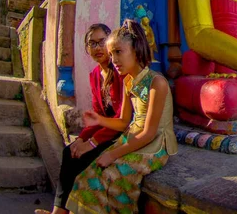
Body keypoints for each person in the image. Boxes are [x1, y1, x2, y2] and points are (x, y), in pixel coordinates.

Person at [65, 19, 177, 214]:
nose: (114, 60)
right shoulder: (128, 82)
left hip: (155, 145)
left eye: (118, 52)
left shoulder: (156, 83)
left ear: (136, 50)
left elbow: (150, 133)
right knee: (86, 176)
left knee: (111, 177)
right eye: (111, 54)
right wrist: (100, 120)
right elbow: (124, 122)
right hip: (132, 136)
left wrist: (112, 154)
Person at [35, 24, 123, 214]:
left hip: (122, 132)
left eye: (101, 42)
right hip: (105, 129)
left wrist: (91, 143)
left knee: (83, 156)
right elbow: (98, 115)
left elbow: (121, 118)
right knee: (70, 151)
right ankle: (58, 210)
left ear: (110, 43)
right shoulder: (94, 75)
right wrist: (82, 138)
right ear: (86, 49)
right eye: (92, 43)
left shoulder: (119, 71)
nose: (97, 48)